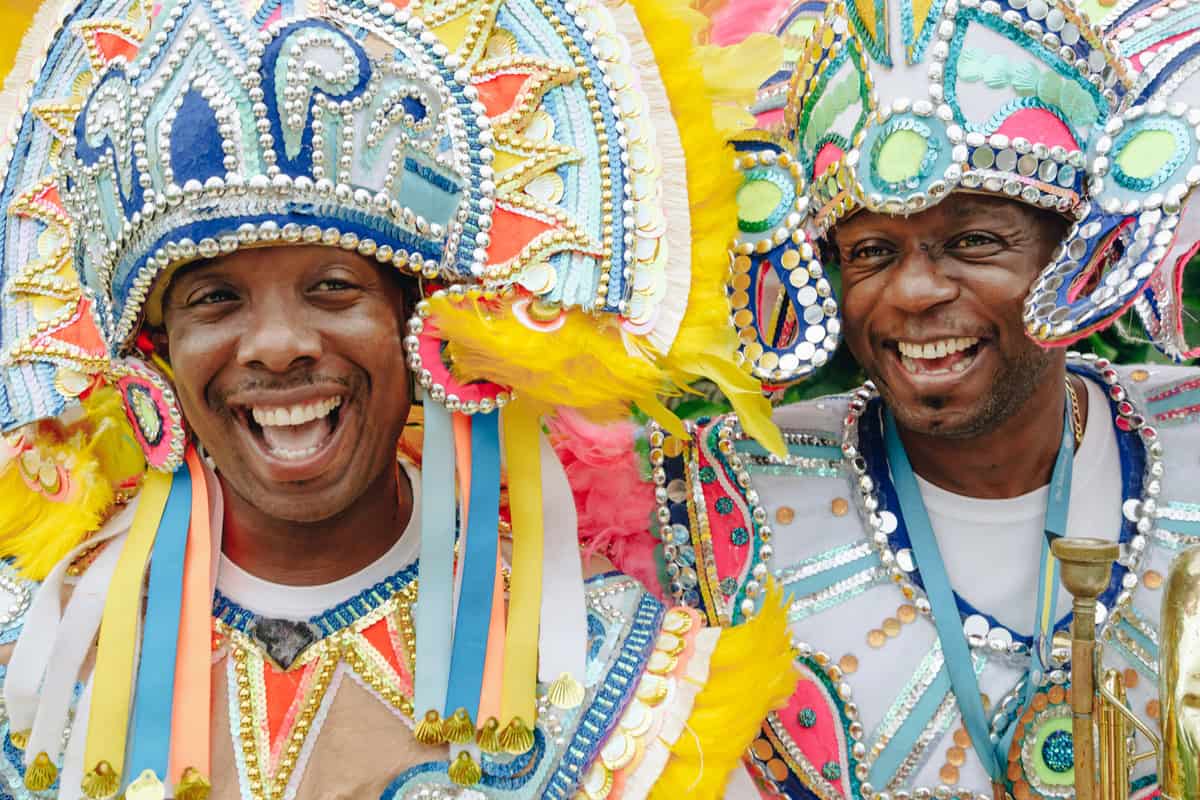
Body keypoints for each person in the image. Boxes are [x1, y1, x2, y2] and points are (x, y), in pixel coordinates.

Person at [0, 0, 799, 798]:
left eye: (334, 287)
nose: (279, 345)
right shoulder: (38, 662)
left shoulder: (614, 681)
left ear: (422, 330)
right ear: (156, 351)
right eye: (214, 298)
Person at [633, 0, 1200, 797]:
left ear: (1074, 258)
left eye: (972, 241)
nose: (914, 292)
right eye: (871, 252)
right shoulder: (737, 493)